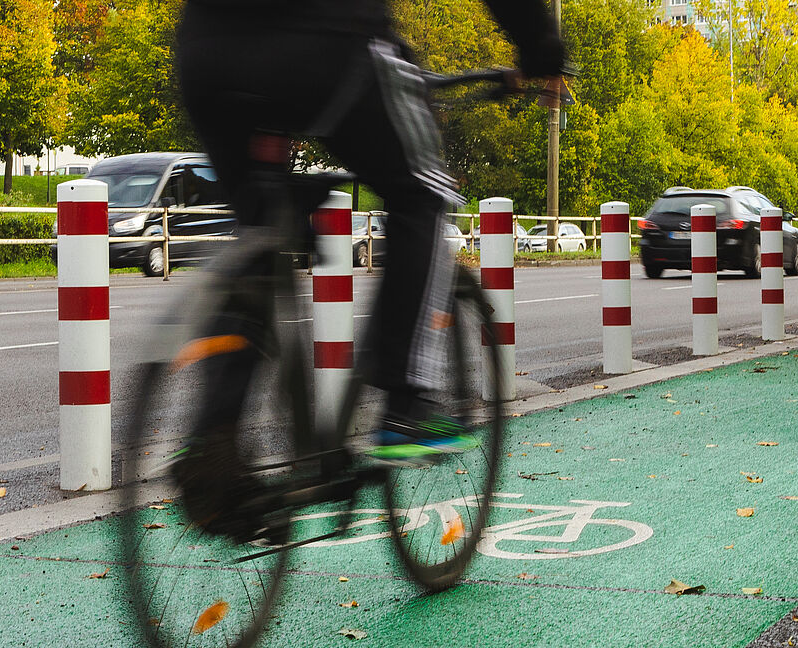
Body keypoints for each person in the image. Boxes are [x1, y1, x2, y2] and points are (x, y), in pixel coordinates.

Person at [166, 0, 565, 534]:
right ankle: (404, 402)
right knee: (422, 194)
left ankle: (214, 438)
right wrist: (542, 51)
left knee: (261, 230)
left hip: (208, 51)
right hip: (331, 42)